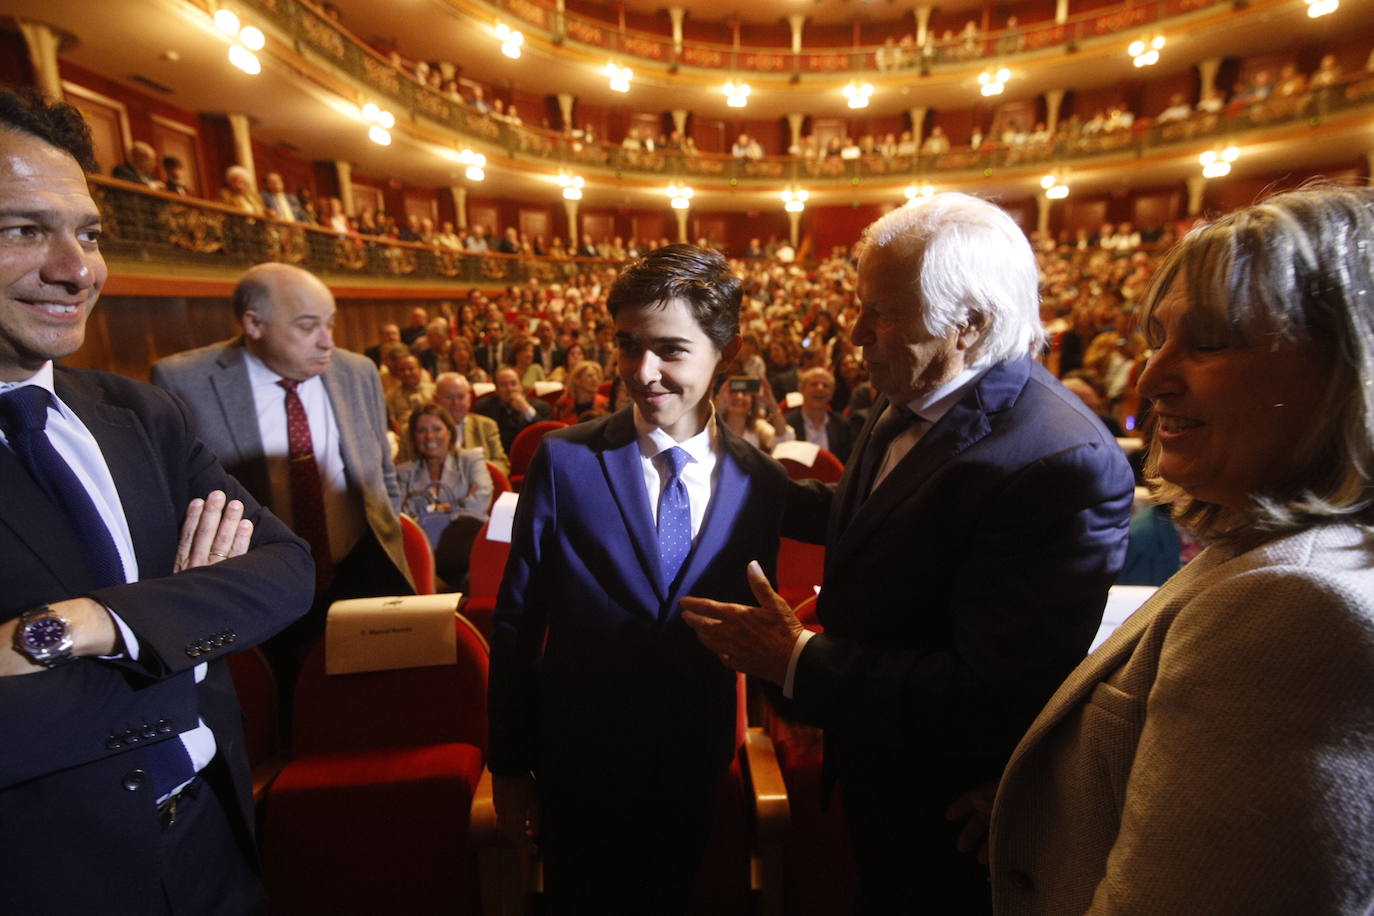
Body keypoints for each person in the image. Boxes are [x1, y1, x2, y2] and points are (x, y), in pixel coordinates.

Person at [682, 192, 1135, 913]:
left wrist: (795, 658)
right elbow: (865, 520)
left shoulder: (1058, 462)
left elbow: (987, 696)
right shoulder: (916, 387)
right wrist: (722, 458)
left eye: (881, 313)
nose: (854, 334)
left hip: (953, 822)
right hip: (880, 779)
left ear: (971, 324)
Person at [988, 186, 1374, 913]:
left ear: (1344, 367)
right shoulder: (1277, 557)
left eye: (1209, 341)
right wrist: (1054, 818)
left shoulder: (1295, 610)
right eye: (1156, 338)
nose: (1150, 379)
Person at [0, 87, 313, 913]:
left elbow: (286, 569)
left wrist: (88, 627)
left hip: (218, 847)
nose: (78, 268)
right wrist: (192, 631)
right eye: (24, 230)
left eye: (89, 233)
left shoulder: (138, 411)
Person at [488, 245, 794, 913]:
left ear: (729, 352)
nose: (642, 372)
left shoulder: (762, 484)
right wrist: (508, 767)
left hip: (695, 763)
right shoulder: (563, 461)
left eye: (670, 350)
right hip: (578, 763)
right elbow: (517, 624)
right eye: (629, 346)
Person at [151, 262, 413, 645]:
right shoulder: (182, 381)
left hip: (362, 570)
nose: (327, 341)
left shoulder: (358, 371)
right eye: (308, 327)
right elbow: (174, 500)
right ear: (254, 324)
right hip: (257, 586)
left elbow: (381, 471)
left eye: (331, 323)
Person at [396, 404, 491, 589]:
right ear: (414, 437)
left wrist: (427, 511)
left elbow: (481, 500)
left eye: (437, 429)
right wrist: (457, 505)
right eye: (421, 431)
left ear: (450, 431)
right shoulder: (404, 472)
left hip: (467, 550)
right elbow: (402, 517)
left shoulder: (471, 460)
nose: (430, 436)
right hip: (426, 555)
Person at [434, 371, 509, 473]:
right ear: (436, 400)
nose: (455, 403)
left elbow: (502, 465)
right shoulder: (419, 430)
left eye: (461, 397)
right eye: (449, 397)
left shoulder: (486, 426)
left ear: (469, 399)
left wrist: (479, 469)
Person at [785, 366, 856, 463]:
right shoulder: (788, 424)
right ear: (802, 390)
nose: (820, 388)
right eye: (814, 384)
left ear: (831, 394)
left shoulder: (842, 425)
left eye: (825, 385)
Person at [474, 366, 552, 452]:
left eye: (513, 384)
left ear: (521, 386)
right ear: (496, 389)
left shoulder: (541, 407)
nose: (509, 389)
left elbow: (546, 436)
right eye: (503, 385)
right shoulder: (484, 407)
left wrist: (527, 410)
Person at [549, 358, 608, 424]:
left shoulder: (604, 404)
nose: (595, 379)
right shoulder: (562, 406)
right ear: (577, 380)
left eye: (598, 376)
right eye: (590, 376)